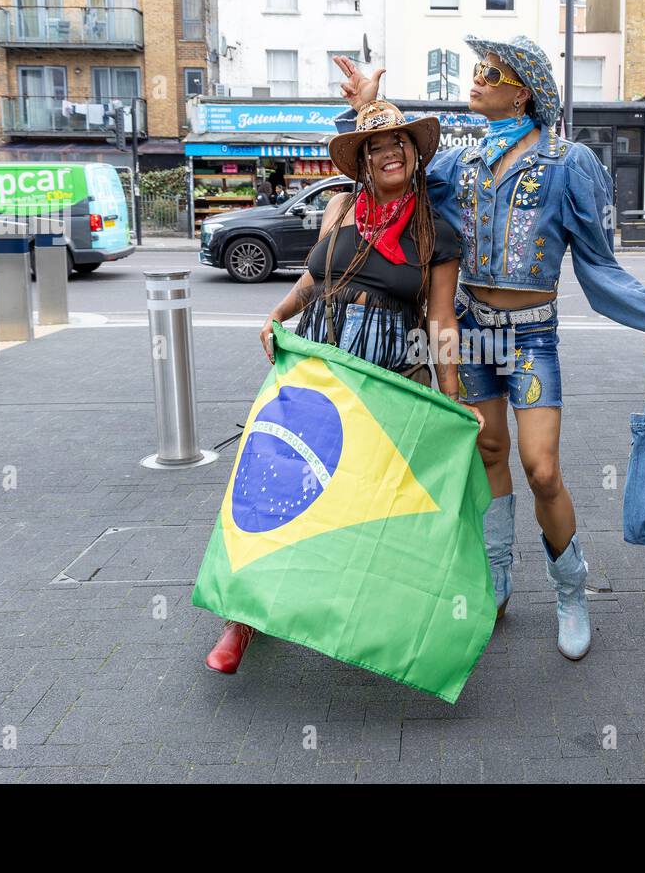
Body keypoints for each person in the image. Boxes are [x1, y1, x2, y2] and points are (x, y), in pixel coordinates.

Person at [336, 39, 645, 661]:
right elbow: (388, 171)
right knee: (488, 454)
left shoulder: (570, 163)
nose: (477, 79)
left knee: (542, 468)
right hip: (472, 330)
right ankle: (498, 579)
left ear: (523, 93)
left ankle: (571, 590)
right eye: (478, 70)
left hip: (532, 335)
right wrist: (369, 111)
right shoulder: (458, 164)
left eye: (492, 73)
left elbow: (599, 266)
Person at [204, 99, 485, 675]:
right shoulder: (338, 207)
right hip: (320, 368)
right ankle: (242, 618)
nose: (388, 154)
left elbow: (441, 321)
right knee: (279, 485)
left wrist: (454, 399)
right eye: (375, 149)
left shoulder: (437, 233)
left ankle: (377, 620)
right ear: (361, 162)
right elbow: (314, 277)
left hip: (388, 377)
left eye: (398, 145)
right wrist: (277, 314)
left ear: (414, 154)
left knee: (372, 503)